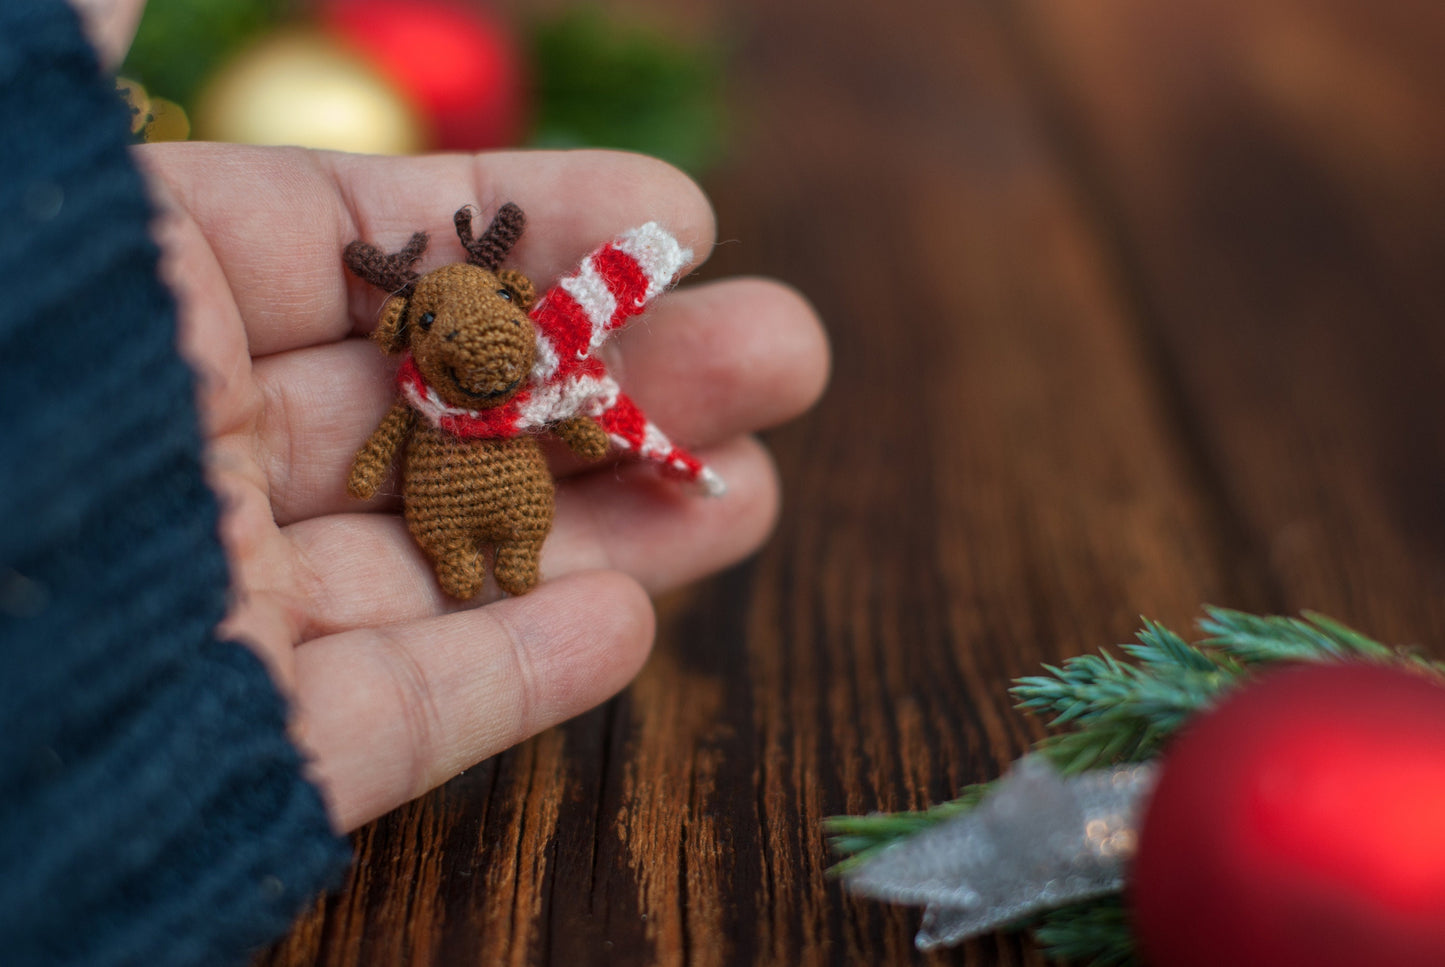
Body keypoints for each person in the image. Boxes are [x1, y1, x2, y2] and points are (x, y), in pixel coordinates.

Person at [0, 2, 829, 964]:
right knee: (453, 545)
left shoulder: (527, 389)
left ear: (518, 303)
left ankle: (513, 553)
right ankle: (466, 553)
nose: (475, 347)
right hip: (427, 501)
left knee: (522, 542)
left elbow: (564, 412)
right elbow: (381, 442)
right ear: (406, 336)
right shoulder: (413, 400)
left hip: (504, 483)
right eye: (442, 332)